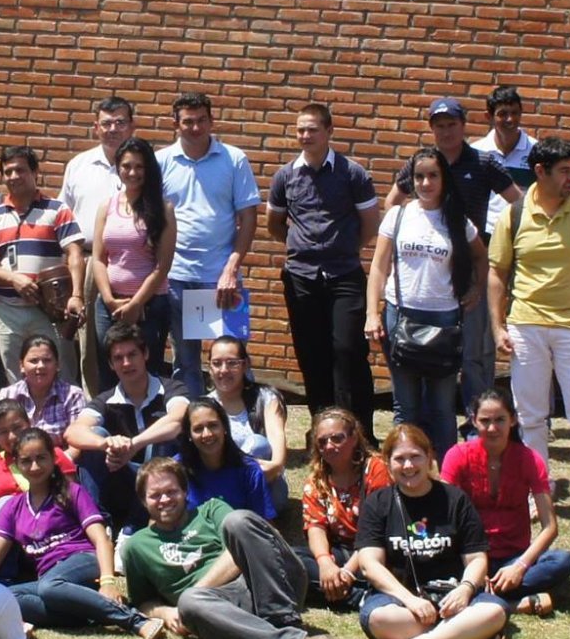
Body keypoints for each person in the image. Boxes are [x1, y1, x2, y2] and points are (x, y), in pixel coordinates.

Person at [487, 137, 570, 508]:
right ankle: (536, 491)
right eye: (564, 171)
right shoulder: (513, 215)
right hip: (526, 325)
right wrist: (499, 327)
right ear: (539, 172)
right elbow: (497, 273)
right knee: (529, 416)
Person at [121, 458, 343, 639]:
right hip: (219, 610)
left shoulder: (210, 510)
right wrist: (167, 613)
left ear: (185, 491)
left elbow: (241, 552)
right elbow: (142, 601)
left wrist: (198, 589)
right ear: (143, 500)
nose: (165, 500)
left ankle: (282, 619)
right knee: (190, 602)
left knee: (239, 520)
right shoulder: (136, 547)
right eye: (155, 495)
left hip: (269, 582)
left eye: (171, 491)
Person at [387, 99, 522, 423]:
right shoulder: (421, 164)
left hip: (469, 276)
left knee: (475, 356)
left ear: (464, 126)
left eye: (451, 124)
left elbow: (518, 204)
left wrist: (498, 251)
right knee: (422, 353)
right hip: (429, 282)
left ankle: (478, 425)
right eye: (439, 125)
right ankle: (422, 426)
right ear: (432, 128)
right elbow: (393, 202)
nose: (446, 131)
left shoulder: (483, 162)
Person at [349, 424, 508, 639]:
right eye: (399, 459)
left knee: (495, 611)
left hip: (452, 596)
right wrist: (410, 600)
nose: (408, 466)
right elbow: (368, 564)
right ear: (388, 462)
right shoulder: (377, 503)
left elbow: (476, 558)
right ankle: (464, 635)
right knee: (377, 619)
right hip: (399, 599)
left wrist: (465, 590)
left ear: (430, 457)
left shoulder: (455, 500)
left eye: (415, 457)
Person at [0, 426, 166, 639]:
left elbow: (101, 539)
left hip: (82, 561)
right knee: (7, 597)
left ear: (53, 458)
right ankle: (85, 612)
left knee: (49, 587)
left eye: (41, 458)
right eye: (26, 461)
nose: (35, 466)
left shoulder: (72, 492)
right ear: (17, 464)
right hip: (51, 579)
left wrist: (108, 582)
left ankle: (134, 620)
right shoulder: (12, 507)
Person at [368, 145, 485, 458]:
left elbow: (481, 257)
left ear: (444, 178)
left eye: (433, 175)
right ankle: (400, 476)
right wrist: (371, 314)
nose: (425, 183)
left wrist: (476, 288)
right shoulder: (399, 214)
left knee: (441, 408)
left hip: (444, 322)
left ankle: (447, 479)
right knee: (405, 406)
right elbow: (378, 265)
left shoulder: (458, 221)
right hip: (400, 316)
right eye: (419, 177)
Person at [269, 102, 382, 425]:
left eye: (312, 129)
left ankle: (358, 428)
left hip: (344, 274)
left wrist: (341, 248)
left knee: (348, 351)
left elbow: (370, 225)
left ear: (329, 131)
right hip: (301, 277)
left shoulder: (353, 174)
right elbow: (275, 224)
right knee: (311, 354)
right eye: (300, 130)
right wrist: (303, 248)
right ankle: (322, 427)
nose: (305, 136)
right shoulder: (285, 176)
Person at [158, 93, 260, 397]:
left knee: (233, 356)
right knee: (185, 361)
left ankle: (246, 419)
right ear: (175, 124)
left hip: (221, 278)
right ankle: (194, 425)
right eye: (187, 121)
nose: (195, 127)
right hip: (177, 276)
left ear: (211, 121)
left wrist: (232, 268)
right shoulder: (161, 161)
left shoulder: (234, 158)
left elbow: (249, 217)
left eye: (201, 120)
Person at [440, 389, 570, 616]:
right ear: (473, 421)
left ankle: (480, 595)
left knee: (561, 560)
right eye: (485, 421)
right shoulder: (458, 455)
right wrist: (474, 566)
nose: (492, 428)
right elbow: (443, 514)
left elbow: (550, 527)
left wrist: (519, 567)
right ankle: (511, 601)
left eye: (500, 420)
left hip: (513, 556)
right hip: (469, 555)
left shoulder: (529, 459)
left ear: (513, 420)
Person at [0, 145, 87, 384]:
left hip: (50, 311)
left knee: (60, 375)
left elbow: (75, 253)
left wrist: (76, 295)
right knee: (15, 378)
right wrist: (13, 278)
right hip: (8, 311)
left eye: (20, 170)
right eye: (8, 172)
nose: (14, 176)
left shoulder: (58, 210)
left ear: (35, 172)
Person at [66, 321, 190, 530]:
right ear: (110, 365)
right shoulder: (106, 400)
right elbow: (73, 432)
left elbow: (178, 420)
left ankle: (134, 526)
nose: (126, 363)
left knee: (162, 437)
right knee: (94, 435)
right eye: (118, 358)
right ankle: (99, 525)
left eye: (132, 355)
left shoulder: (171, 388)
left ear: (145, 354)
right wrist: (105, 443)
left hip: (164, 485)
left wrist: (134, 444)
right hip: (124, 478)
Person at [62, 97, 139, 389]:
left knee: (133, 337)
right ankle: (96, 399)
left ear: (131, 126)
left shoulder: (144, 165)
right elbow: (65, 219)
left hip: (133, 262)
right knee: (90, 341)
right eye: (106, 123)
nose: (113, 129)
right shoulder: (79, 166)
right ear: (96, 128)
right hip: (88, 262)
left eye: (120, 122)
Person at [88, 135, 175, 385]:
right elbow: (98, 259)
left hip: (148, 307)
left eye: (139, 166)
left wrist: (136, 304)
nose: (133, 172)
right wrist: (108, 299)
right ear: (118, 168)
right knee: (110, 372)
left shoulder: (163, 209)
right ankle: (113, 421)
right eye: (127, 166)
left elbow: (162, 266)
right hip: (109, 306)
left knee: (146, 372)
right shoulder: (107, 206)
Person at [299, 407, 388, 612]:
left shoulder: (376, 470)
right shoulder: (317, 479)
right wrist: (325, 564)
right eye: (322, 442)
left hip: (376, 551)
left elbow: (377, 532)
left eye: (337, 438)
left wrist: (347, 573)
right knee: (284, 560)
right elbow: (315, 527)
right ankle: (359, 593)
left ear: (354, 438)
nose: (329, 446)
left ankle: (344, 591)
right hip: (342, 552)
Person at [207, 336, 288, 505]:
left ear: (245, 365)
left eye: (232, 363)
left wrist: (275, 465)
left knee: (257, 443)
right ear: (209, 368)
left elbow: (276, 444)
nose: (224, 370)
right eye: (217, 363)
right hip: (221, 487)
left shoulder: (266, 398)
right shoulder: (205, 406)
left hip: (266, 487)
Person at [180, 397, 278, 521]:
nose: (207, 434)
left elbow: (264, 525)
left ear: (224, 428)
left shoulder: (249, 471)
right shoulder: (176, 470)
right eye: (198, 429)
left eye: (213, 425)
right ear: (189, 435)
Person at [0, 396, 76, 515]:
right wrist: (15, 507)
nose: (12, 436)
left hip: (50, 515)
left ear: (29, 424)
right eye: (3, 432)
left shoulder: (53, 454)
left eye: (17, 428)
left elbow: (71, 495)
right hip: (5, 520)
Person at [472, 84, 536, 192]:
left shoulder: (535, 150)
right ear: (489, 117)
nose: (510, 119)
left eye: (514, 113)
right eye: (503, 114)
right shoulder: (476, 152)